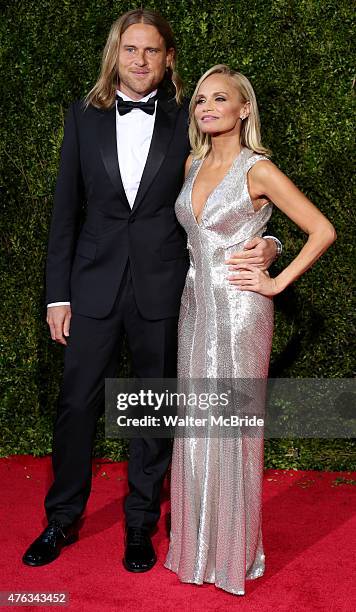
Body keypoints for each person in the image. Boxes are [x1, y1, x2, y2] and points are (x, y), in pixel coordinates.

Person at [22, 12, 279, 572]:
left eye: (152, 51)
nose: (141, 60)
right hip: (90, 287)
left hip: (164, 289)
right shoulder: (83, 118)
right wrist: (56, 296)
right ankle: (61, 520)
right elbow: (65, 213)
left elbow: (227, 191)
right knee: (76, 405)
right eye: (131, 49)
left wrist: (270, 242)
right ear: (116, 53)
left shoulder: (188, 122)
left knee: (153, 411)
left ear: (168, 60)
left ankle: (140, 525)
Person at [164, 64, 336, 595]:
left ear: (243, 109)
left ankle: (232, 557)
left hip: (241, 311)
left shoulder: (258, 169)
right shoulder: (192, 162)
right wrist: (270, 245)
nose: (207, 107)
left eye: (220, 99)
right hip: (194, 308)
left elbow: (322, 229)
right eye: (199, 100)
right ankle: (194, 550)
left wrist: (276, 279)